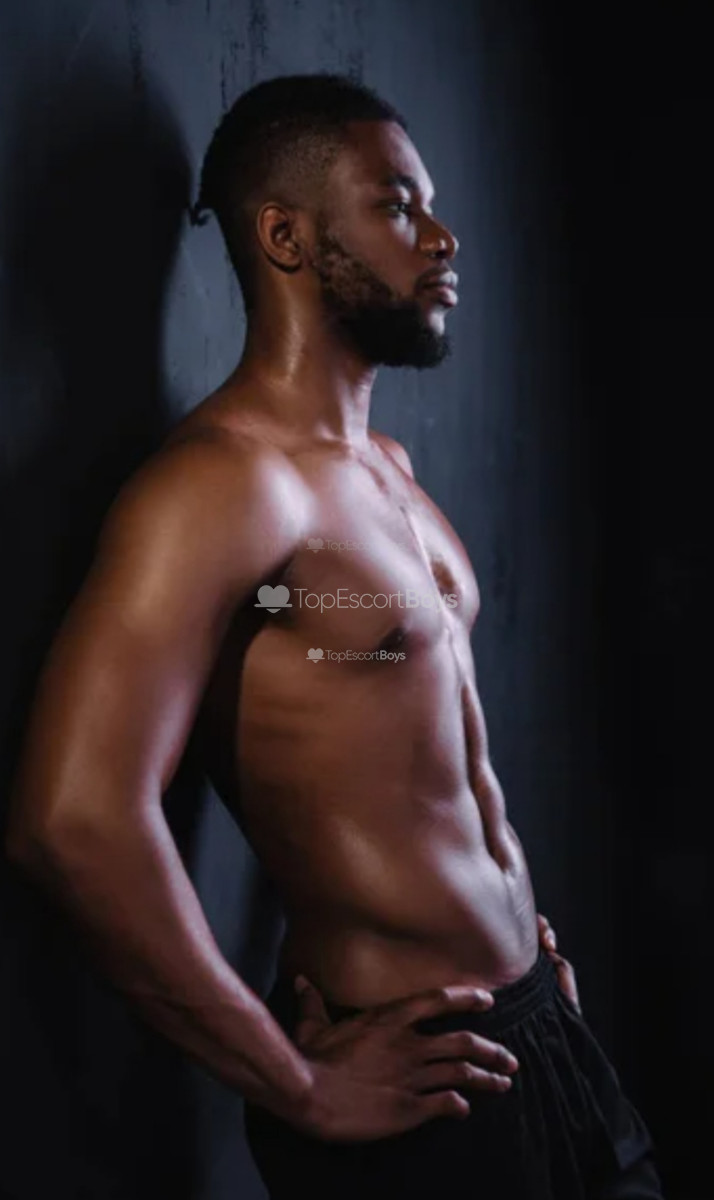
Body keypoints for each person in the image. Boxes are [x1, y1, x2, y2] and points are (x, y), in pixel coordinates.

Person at [6, 73, 663, 1199]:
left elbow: (355, 701)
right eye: (397, 206)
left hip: (535, 1024)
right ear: (286, 237)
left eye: (431, 205)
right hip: (414, 1081)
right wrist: (300, 1086)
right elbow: (72, 817)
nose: (442, 237)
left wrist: (517, 944)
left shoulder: (385, 473)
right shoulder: (221, 489)